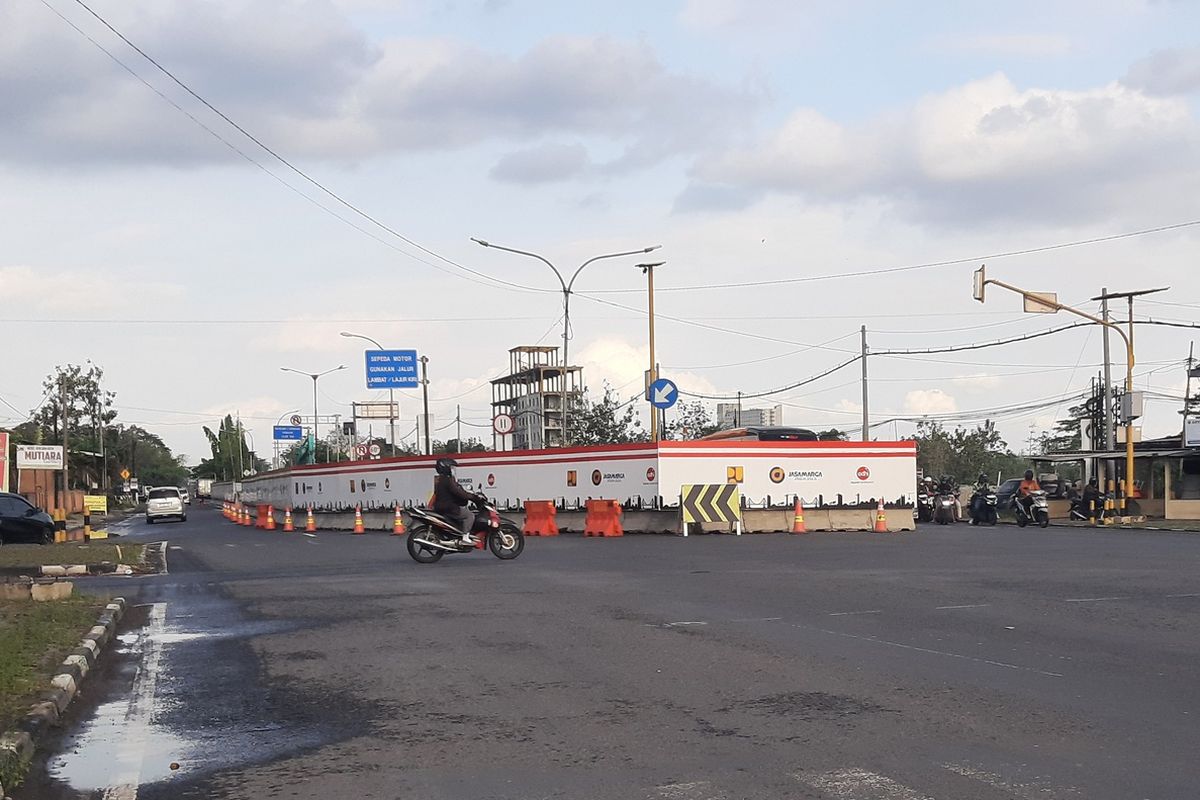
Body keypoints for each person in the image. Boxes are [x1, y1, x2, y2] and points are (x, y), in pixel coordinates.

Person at [432, 458, 481, 545]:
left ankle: (457, 534)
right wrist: (472, 497)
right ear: (446, 468)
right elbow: (458, 493)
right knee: (469, 515)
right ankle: (465, 537)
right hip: (448, 507)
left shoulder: (442, 480)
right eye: (451, 468)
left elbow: (457, 492)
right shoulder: (448, 480)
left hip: (442, 506)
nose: (453, 470)